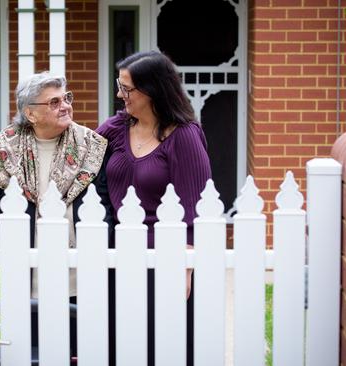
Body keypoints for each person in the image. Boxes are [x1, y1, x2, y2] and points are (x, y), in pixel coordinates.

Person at [0, 71, 114, 359]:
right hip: (26, 275)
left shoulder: (91, 146)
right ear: (30, 113)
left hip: (82, 273)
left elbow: (106, 210)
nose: (65, 105)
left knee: (82, 354)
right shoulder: (6, 149)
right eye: (53, 102)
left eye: (66, 97)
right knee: (32, 354)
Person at [96, 50, 212, 366]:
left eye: (127, 89)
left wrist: (184, 267)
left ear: (152, 90)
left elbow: (195, 206)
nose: (120, 95)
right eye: (119, 86)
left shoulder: (184, 136)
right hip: (116, 256)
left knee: (161, 348)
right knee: (118, 346)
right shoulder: (116, 128)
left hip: (164, 261)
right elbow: (78, 155)